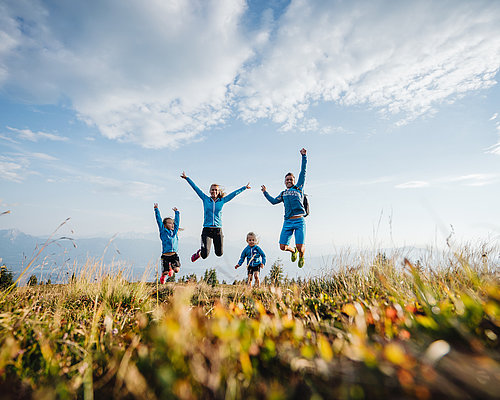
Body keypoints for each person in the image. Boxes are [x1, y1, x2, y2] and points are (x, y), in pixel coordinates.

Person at [181, 171, 250, 261]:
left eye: (216, 190)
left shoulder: (222, 201)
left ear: (218, 192)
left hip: (218, 230)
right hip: (207, 230)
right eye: (212, 189)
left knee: (219, 253)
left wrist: (244, 188)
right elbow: (195, 188)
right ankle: (199, 253)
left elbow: (234, 194)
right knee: (204, 255)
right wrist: (187, 178)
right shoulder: (205, 199)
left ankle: (216, 243)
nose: (214, 191)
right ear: (210, 191)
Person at [261, 148, 307, 268]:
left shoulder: (298, 188)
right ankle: (293, 252)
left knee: (300, 246)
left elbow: (303, 171)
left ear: (295, 181)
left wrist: (304, 157)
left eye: (291, 179)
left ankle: (301, 255)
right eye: (287, 180)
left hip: (299, 221)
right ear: (284, 182)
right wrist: (265, 193)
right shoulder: (283, 194)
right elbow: (273, 201)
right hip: (287, 222)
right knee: (282, 247)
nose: (289, 181)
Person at [154, 203, 180, 284]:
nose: (171, 224)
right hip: (165, 255)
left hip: (174, 255)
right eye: (169, 223)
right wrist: (156, 210)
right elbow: (158, 220)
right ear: (164, 225)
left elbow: (177, 223)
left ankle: (171, 268)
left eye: (172, 223)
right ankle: (163, 276)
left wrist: (177, 213)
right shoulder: (163, 231)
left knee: (177, 270)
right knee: (165, 272)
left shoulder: (174, 232)